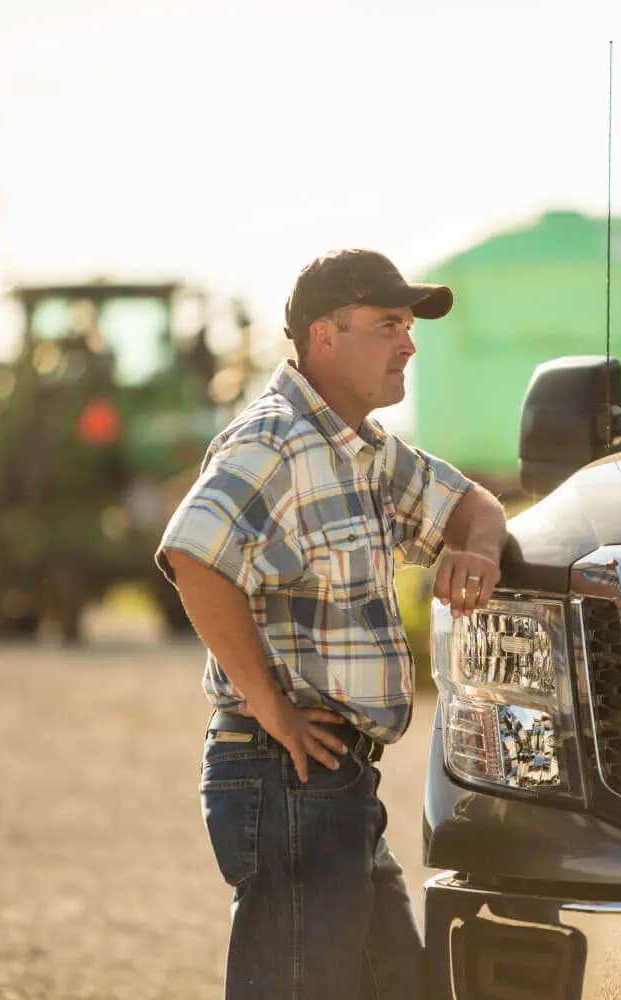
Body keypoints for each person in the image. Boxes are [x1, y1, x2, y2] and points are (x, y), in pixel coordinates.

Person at [156, 248, 507, 999]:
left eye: (409, 326)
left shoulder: (367, 453)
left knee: (400, 986)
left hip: (339, 785)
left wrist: (477, 553)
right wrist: (269, 704)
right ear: (325, 336)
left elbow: (477, 506)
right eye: (388, 325)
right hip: (287, 774)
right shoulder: (275, 440)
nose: (408, 344)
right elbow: (194, 555)